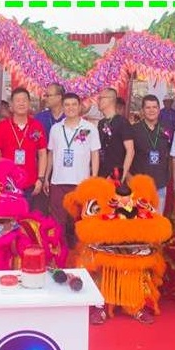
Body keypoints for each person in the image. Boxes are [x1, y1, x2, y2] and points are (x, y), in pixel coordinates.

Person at [45, 93, 100, 246]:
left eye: (74, 104)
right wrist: (46, 177)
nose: (70, 108)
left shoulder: (89, 128)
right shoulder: (56, 129)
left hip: (81, 183)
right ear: (63, 107)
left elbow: (95, 154)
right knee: (58, 221)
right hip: (58, 181)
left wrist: (94, 177)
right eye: (67, 105)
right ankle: (59, 252)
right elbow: (51, 154)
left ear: (80, 106)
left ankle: (78, 254)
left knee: (78, 221)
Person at [0, 88, 48, 199]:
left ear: (29, 103)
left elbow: (42, 153)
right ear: (11, 105)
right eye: (18, 100)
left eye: (24, 100)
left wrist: (40, 178)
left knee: (28, 210)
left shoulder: (36, 126)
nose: (21, 103)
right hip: (7, 182)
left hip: (30, 183)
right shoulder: (2, 127)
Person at [130, 95, 171, 213]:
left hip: (160, 184)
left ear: (159, 109)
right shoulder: (134, 130)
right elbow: (127, 155)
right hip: (140, 184)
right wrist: (129, 178)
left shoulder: (166, 129)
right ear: (142, 110)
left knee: (157, 219)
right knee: (140, 219)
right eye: (148, 107)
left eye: (154, 107)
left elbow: (171, 154)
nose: (151, 110)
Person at [96, 87, 134, 181]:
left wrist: (123, 175)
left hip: (116, 175)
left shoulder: (122, 122)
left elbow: (130, 150)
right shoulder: (101, 123)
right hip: (102, 173)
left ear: (111, 99)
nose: (98, 101)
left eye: (101, 98)